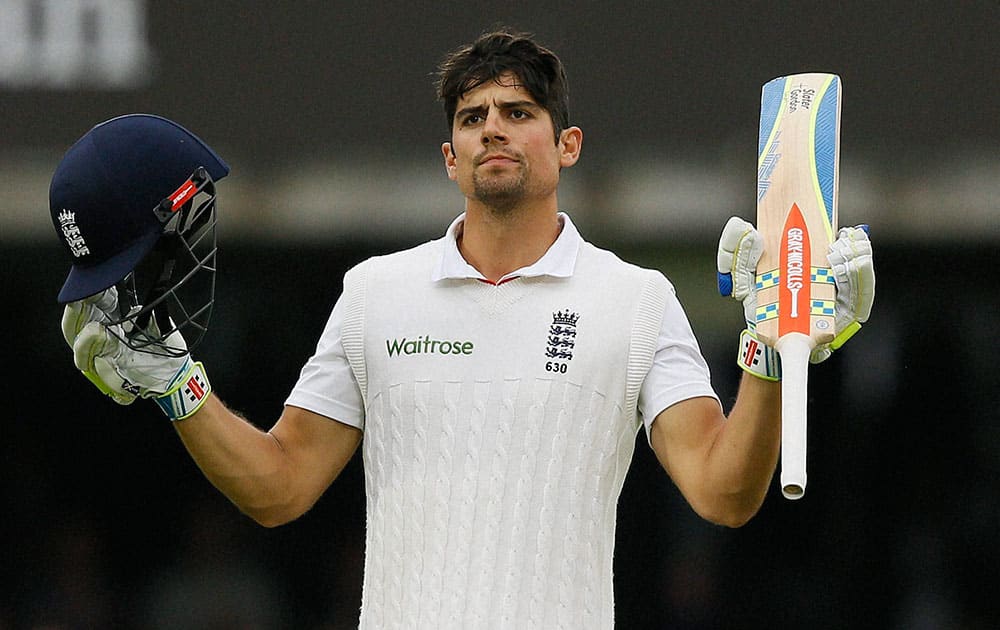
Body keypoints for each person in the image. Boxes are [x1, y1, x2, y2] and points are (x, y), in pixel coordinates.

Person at [54, 30, 874, 630]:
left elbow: (723, 492)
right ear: (450, 156)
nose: (493, 127)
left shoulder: (635, 300)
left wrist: (771, 348)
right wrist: (177, 388)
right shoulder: (377, 295)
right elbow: (280, 487)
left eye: (518, 112)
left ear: (568, 145)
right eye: (474, 116)